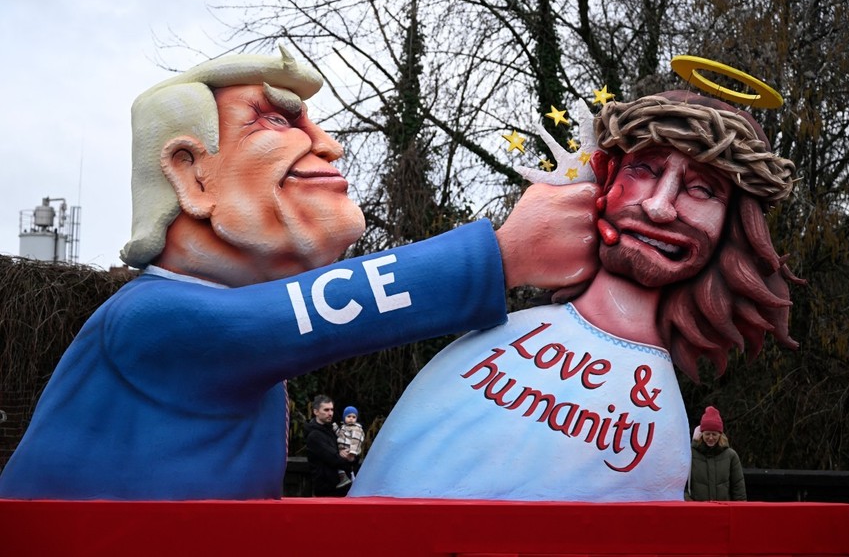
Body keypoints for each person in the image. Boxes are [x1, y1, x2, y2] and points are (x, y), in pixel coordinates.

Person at [0, 46, 599, 500]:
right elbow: (321, 308)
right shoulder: (149, 320)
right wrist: (502, 255)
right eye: (276, 122)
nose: (330, 146)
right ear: (190, 173)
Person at [350, 90, 800, 502]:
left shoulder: (662, 428)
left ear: (732, 229)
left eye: (701, 190)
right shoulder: (484, 348)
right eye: (644, 170)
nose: (660, 206)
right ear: (605, 176)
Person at [685, 406, 746, 501]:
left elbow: (738, 489)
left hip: (724, 511)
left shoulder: (731, 456)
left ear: (720, 434)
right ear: (701, 434)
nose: (710, 438)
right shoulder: (689, 455)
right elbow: (681, 487)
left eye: (714, 434)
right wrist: (691, 506)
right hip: (697, 511)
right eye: (707, 434)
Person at [304, 396, 354, 496]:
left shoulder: (333, 430)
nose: (330, 413)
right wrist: (349, 459)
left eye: (331, 409)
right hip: (327, 490)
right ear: (316, 412)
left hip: (342, 487)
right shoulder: (314, 436)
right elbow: (333, 458)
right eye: (326, 410)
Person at [335, 405, 365, 486]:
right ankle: (345, 476)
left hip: (350, 450)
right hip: (342, 449)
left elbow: (356, 441)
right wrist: (335, 428)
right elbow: (340, 435)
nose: (351, 418)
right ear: (344, 417)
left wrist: (352, 452)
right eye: (349, 416)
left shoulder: (356, 429)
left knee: (346, 464)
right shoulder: (344, 427)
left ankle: (351, 477)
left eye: (353, 417)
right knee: (339, 465)